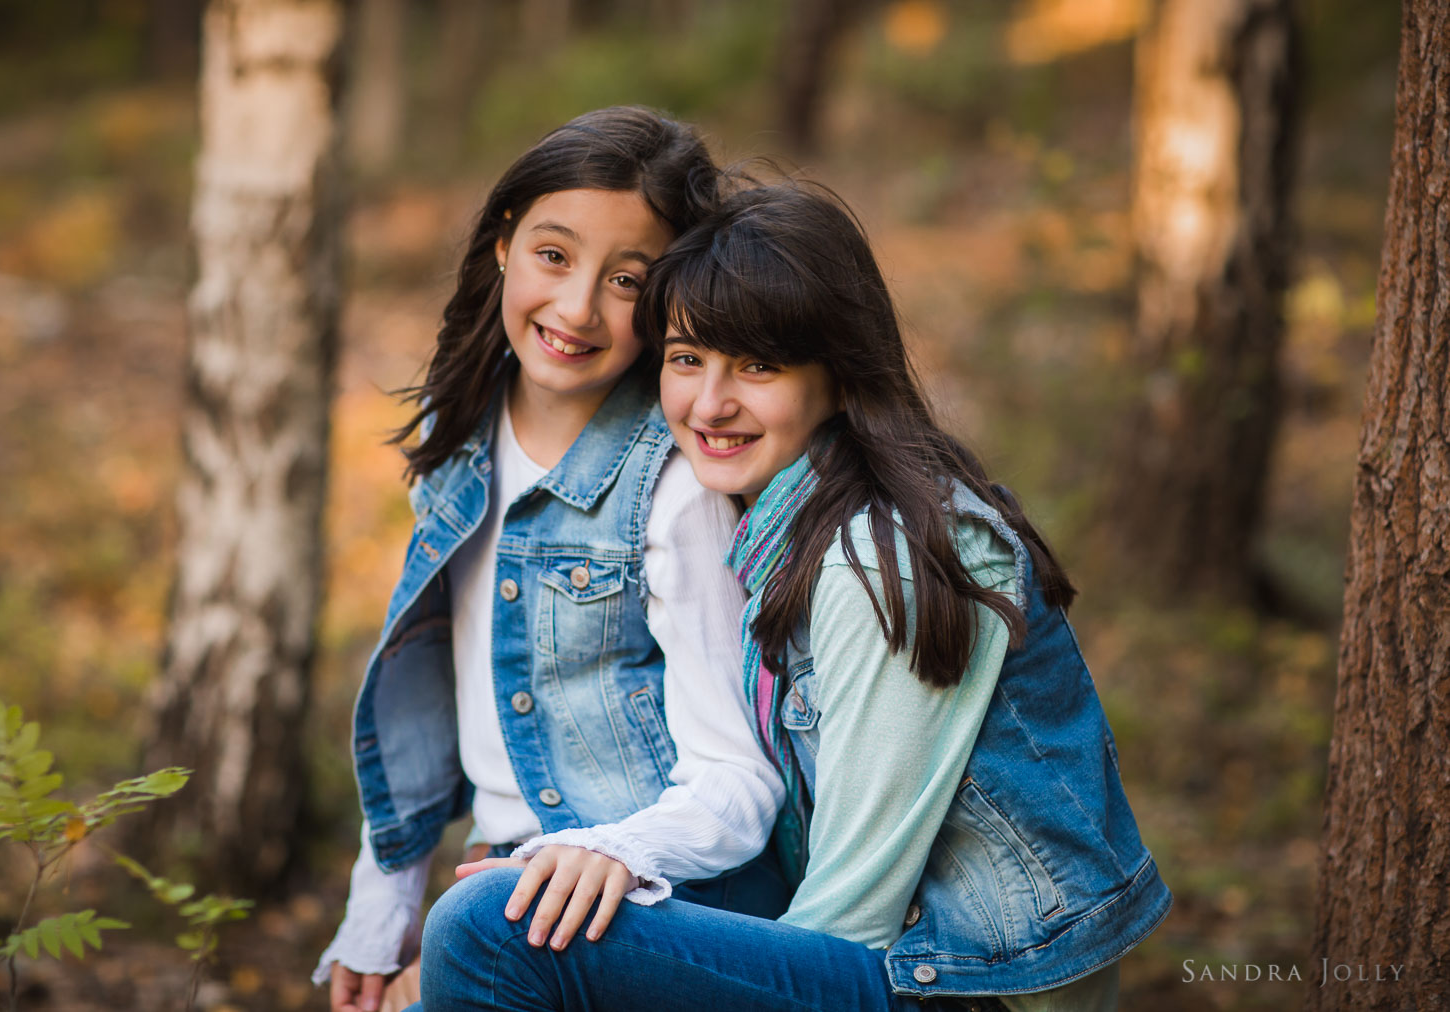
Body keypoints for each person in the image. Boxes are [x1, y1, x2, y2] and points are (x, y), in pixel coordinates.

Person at [411, 182, 1172, 1011]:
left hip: (961, 986)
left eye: (759, 366)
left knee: (491, 927)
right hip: (893, 961)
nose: (710, 404)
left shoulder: (890, 558)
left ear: (839, 375)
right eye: (686, 359)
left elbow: (852, 914)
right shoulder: (785, 527)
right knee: (539, 904)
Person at [314, 109, 788, 1012]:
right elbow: (421, 703)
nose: (577, 310)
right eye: (554, 256)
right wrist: (382, 915)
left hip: (652, 893)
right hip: (509, 888)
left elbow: (740, 778)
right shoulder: (454, 437)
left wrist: (590, 860)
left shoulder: (674, 486)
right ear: (503, 244)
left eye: (626, 281)